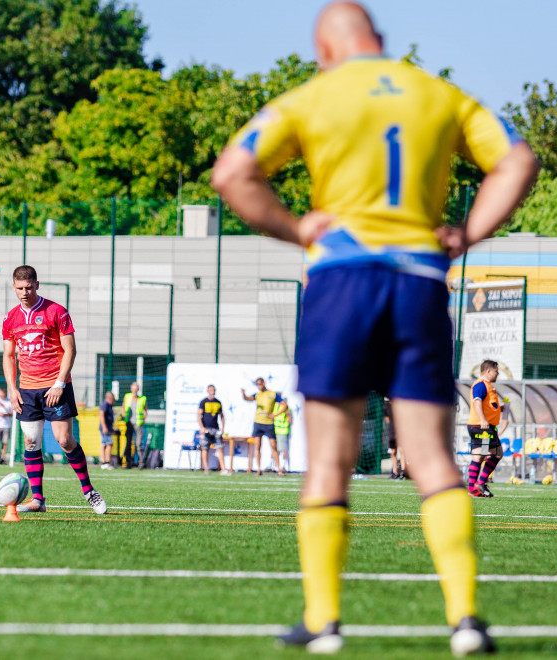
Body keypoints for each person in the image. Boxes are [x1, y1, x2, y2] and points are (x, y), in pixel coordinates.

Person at [212, 2, 538, 653]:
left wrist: (296, 227)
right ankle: (465, 619)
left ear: (325, 49)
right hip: (418, 283)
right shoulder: (438, 93)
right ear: (379, 41)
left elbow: (231, 174)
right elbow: (518, 161)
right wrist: (468, 233)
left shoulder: (311, 96)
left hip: (341, 283)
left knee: (329, 461)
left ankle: (324, 620)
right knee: (432, 457)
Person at [2, 265, 106, 514]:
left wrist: (60, 383)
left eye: (29, 287)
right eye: (19, 288)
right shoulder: (10, 318)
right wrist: (12, 389)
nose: (24, 292)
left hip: (55, 386)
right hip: (26, 390)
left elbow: (70, 350)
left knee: (64, 440)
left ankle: (89, 490)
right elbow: (8, 355)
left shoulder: (56, 311)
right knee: (31, 443)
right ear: (13, 287)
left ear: (37, 284)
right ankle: (37, 499)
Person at [466, 360, 508, 498]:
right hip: (482, 427)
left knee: (481, 456)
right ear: (489, 371)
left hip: (483, 426)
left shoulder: (487, 385)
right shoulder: (480, 384)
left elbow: (487, 405)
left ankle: (473, 488)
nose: (498, 374)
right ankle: (480, 483)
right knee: (495, 454)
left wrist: (500, 409)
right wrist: (483, 420)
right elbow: (477, 402)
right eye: (496, 371)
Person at [241, 378, 284, 476]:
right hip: (258, 423)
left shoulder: (272, 394)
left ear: (264, 383)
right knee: (257, 446)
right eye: (257, 384)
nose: (259, 386)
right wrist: (243, 394)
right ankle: (259, 469)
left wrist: (275, 414)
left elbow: (284, 404)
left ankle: (278, 469)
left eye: (260, 384)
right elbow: (247, 399)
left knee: (273, 446)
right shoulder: (257, 395)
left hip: (269, 423)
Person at [198, 384, 229, 475]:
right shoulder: (203, 402)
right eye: (211, 389)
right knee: (204, 448)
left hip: (215, 429)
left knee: (219, 448)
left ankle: (223, 469)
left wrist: (222, 427)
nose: (212, 391)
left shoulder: (218, 402)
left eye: (214, 389)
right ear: (207, 391)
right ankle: (206, 468)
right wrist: (202, 427)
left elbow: (222, 415)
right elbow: (199, 415)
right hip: (206, 429)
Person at [122, 382, 147, 469]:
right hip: (129, 423)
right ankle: (128, 463)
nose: (135, 390)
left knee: (139, 444)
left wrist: (143, 420)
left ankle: (141, 463)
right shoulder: (127, 397)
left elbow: (145, 411)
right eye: (133, 389)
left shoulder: (143, 399)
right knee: (128, 443)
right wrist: (124, 416)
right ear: (131, 389)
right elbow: (123, 408)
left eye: (136, 389)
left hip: (138, 424)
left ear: (138, 389)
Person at [384, 398, 405, 480]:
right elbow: (387, 419)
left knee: (402, 450)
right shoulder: (386, 406)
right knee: (393, 452)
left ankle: (403, 472)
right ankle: (394, 472)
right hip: (392, 432)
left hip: (401, 431)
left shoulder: (400, 405)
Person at [273, 396, 292, 474]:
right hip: (275, 430)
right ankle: (274, 466)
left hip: (282, 431)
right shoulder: (275, 407)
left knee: (283, 449)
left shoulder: (286, 408)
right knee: (275, 449)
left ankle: (284, 466)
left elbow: (289, 419)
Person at [99, 391, 115, 470]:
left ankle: (104, 462)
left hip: (108, 428)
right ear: (110, 398)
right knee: (109, 444)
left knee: (104, 444)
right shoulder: (105, 404)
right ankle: (106, 462)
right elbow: (101, 415)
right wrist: (104, 427)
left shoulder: (109, 405)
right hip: (105, 428)